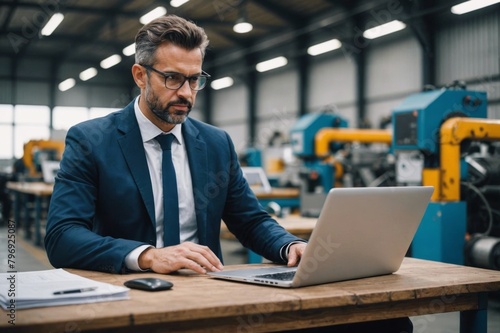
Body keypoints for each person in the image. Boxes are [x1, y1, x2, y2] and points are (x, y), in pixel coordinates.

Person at [45, 15, 412, 333]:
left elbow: (249, 220)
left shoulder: (215, 143)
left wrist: (291, 246)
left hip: (207, 294)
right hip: (132, 296)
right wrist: (147, 256)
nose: (186, 93)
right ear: (140, 75)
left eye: (195, 80)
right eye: (173, 79)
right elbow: (63, 237)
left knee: (386, 322)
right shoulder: (93, 140)